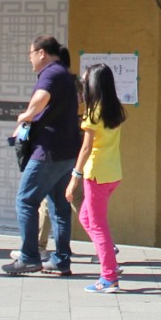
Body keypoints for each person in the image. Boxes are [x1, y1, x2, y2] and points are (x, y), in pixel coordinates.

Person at [4, 35, 81, 277]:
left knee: (26, 200)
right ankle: (61, 260)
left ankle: (29, 257)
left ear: (41, 53)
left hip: (47, 151)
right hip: (67, 151)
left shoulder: (50, 73)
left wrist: (26, 116)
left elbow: (41, 97)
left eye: (30, 54)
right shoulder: (64, 73)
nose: (30, 59)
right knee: (59, 207)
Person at [67, 62, 127, 293]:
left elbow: (86, 148)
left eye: (84, 81)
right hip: (112, 173)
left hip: (96, 174)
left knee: (97, 225)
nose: (82, 85)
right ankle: (109, 260)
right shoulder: (115, 109)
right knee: (86, 218)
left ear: (93, 85)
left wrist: (75, 176)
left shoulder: (93, 112)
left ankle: (109, 277)